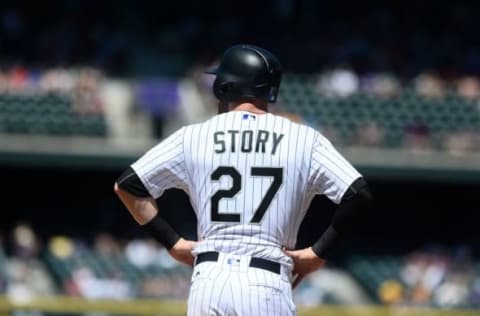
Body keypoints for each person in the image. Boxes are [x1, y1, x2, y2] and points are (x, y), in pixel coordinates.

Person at [114, 44, 372, 315]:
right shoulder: (304, 139)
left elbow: (128, 185)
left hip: (209, 280)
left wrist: (173, 243)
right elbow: (359, 193)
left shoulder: (193, 136)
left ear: (224, 86)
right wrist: (318, 253)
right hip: (267, 281)